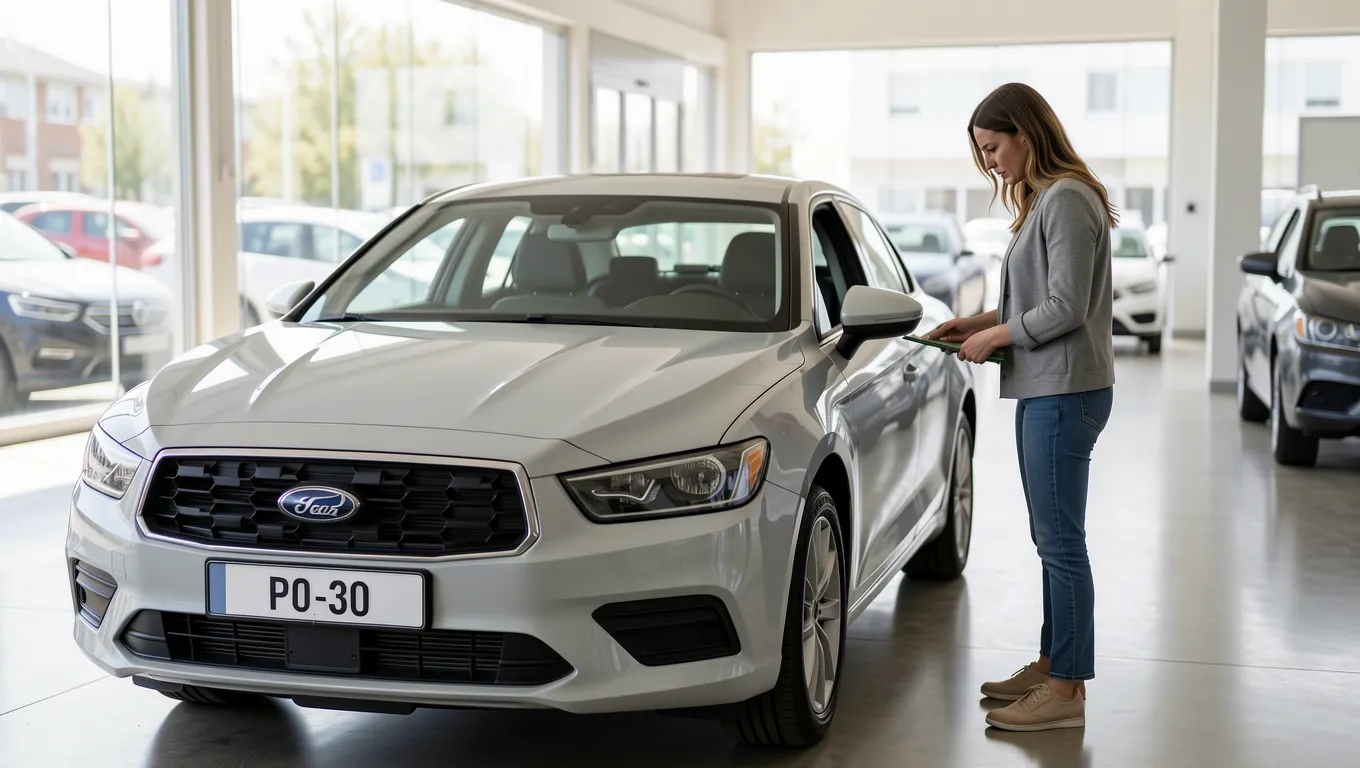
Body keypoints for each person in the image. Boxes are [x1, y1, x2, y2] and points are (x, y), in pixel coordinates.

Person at [927, 82, 1117, 732]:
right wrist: (973, 323)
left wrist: (996, 337)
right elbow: (1035, 300)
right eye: (983, 154)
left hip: (1065, 393)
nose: (992, 165)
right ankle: (1051, 662)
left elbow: (1066, 307)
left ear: (1025, 132)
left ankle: (1066, 691)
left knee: (1062, 542)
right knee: (1050, 538)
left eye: (994, 148)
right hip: (1049, 388)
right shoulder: (1048, 199)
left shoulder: (1066, 199)